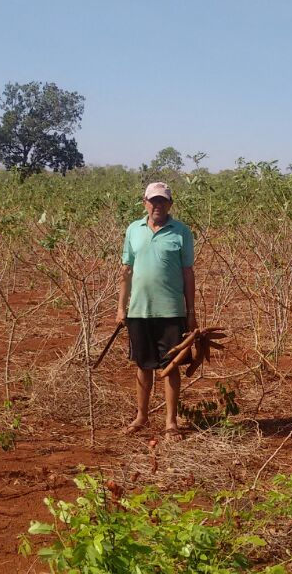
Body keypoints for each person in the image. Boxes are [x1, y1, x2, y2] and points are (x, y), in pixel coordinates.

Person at [116, 181, 196, 440]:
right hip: (139, 311)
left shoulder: (181, 232)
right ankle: (141, 416)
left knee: (170, 366)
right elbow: (126, 271)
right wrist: (121, 308)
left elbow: (187, 273)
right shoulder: (133, 230)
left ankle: (170, 423)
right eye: (153, 200)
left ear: (170, 204)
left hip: (172, 311)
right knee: (143, 365)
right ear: (145, 203)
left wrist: (191, 311)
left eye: (162, 201)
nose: (157, 205)